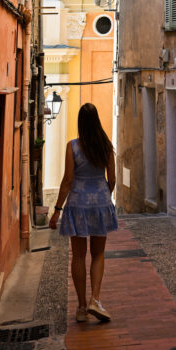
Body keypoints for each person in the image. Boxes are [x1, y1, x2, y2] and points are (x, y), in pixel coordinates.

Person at [49, 102, 118, 323]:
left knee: (78, 255)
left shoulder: (73, 146)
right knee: (98, 254)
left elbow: (68, 180)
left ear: (80, 123)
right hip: (100, 203)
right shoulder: (106, 146)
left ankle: (80, 307)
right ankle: (95, 299)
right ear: (97, 121)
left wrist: (57, 210)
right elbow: (113, 178)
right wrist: (104, 196)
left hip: (77, 204)